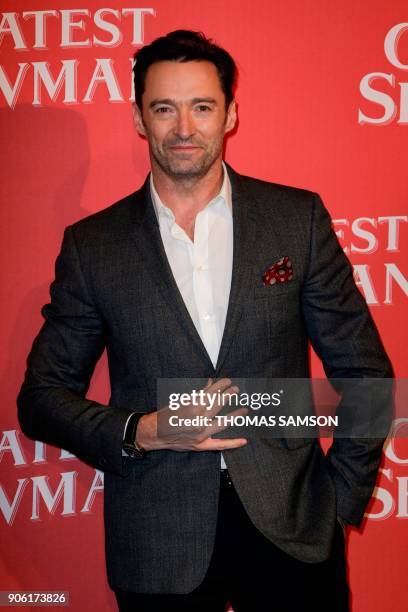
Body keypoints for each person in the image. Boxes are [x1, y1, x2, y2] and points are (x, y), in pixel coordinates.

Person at [17, 30, 393, 612]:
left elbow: (365, 374)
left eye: (202, 106)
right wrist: (141, 430)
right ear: (140, 119)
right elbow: (40, 398)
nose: (184, 128)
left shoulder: (296, 219)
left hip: (292, 532)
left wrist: (336, 505)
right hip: (156, 542)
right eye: (164, 108)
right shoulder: (94, 247)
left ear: (231, 113)